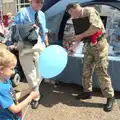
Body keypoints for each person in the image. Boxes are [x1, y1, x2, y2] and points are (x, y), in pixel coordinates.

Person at [66, 3, 115, 112]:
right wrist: (73, 47)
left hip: (100, 46)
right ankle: (87, 92)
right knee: (86, 71)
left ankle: (110, 97)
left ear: (74, 9)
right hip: (89, 47)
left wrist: (81, 36)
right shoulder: (78, 19)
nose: (71, 16)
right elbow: (79, 36)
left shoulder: (89, 11)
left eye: (70, 13)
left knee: (102, 71)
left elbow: (95, 27)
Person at [8, 0, 49, 109]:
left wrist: (47, 45)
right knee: (30, 73)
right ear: (31, 1)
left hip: (39, 45)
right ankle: (36, 96)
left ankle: (33, 90)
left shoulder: (42, 14)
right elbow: (14, 28)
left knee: (40, 72)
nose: (40, 4)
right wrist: (29, 27)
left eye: (42, 2)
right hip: (26, 45)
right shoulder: (22, 11)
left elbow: (44, 31)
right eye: (37, 1)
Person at [0, 48, 38, 120]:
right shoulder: (2, 89)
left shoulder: (6, 81)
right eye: (11, 69)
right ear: (1, 69)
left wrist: (29, 90)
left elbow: (13, 96)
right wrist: (30, 97)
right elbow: (15, 109)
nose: (14, 71)